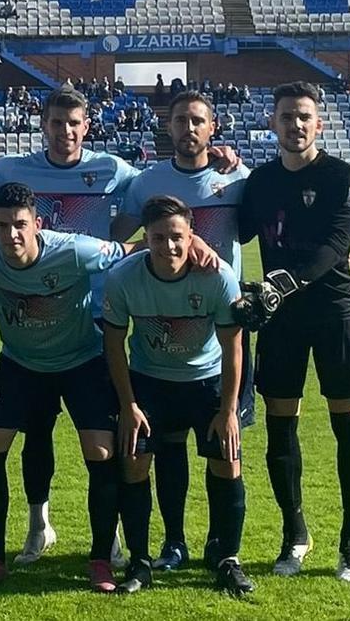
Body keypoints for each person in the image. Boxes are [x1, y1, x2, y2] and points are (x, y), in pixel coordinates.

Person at [0, 87, 238, 566]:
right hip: (27, 348)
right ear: (42, 125)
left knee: (107, 447)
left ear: (86, 125)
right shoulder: (7, 174)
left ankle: (106, 548)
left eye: (73, 123)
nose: (65, 132)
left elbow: (163, 187)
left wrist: (187, 236)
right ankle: (31, 528)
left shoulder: (113, 170)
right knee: (29, 436)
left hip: (93, 325)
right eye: (55, 123)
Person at [0, 182, 138, 592]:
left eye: (20, 225)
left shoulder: (75, 250)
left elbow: (132, 250)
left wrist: (193, 246)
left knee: (100, 451)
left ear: (37, 224)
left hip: (83, 361)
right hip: (21, 363)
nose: (11, 235)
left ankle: (101, 558)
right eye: (1, 226)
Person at [236, 81, 350, 583]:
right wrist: (222, 166)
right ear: (273, 122)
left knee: (347, 424)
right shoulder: (260, 181)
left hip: (334, 311)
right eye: (286, 116)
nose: (295, 125)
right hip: (282, 319)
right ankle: (294, 535)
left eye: (304, 117)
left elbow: (337, 244)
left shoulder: (344, 176)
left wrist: (282, 283)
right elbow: (234, 229)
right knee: (280, 425)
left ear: (319, 123)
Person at [111, 91, 255, 573]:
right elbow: (122, 233)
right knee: (167, 449)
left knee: (224, 446)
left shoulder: (235, 175)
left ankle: (221, 546)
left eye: (198, 120)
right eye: (180, 120)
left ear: (213, 127)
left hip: (218, 327)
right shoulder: (147, 181)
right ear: (167, 126)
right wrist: (148, 249)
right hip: (158, 337)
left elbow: (266, 224)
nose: (188, 128)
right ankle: (173, 543)